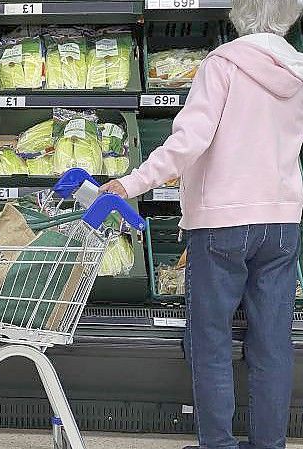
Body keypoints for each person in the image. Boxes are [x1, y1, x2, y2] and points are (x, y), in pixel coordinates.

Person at [100, 1, 303, 448]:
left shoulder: (222, 64)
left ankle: (218, 443)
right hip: (281, 225)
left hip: (222, 224)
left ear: (239, 13)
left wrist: (132, 183)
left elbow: (189, 141)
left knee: (210, 342)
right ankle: (270, 443)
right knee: (273, 344)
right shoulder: (298, 71)